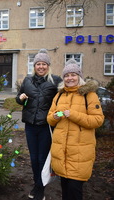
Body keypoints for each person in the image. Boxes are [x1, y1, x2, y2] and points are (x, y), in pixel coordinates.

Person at [47, 59, 104, 200]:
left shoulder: (89, 95)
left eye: (73, 75)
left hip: (79, 154)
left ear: (79, 77)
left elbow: (97, 120)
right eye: (66, 75)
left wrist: (73, 114)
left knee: (74, 190)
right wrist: (55, 116)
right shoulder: (59, 95)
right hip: (62, 152)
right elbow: (49, 118)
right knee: (65, 190)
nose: (69, 78)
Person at [15, 49, 62, 200]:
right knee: (34, 158)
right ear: (34, 66)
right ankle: (37, 184)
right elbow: (18, 98)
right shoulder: (27, 81)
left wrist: (59, 115)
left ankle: (40, 189)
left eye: (44, 64)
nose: (41, 67)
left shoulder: (55, 81)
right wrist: (20, 98)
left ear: (48, 66)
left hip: (45, 126)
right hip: (30, 125)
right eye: (38, 64)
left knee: (42, 159)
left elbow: (64, 100)